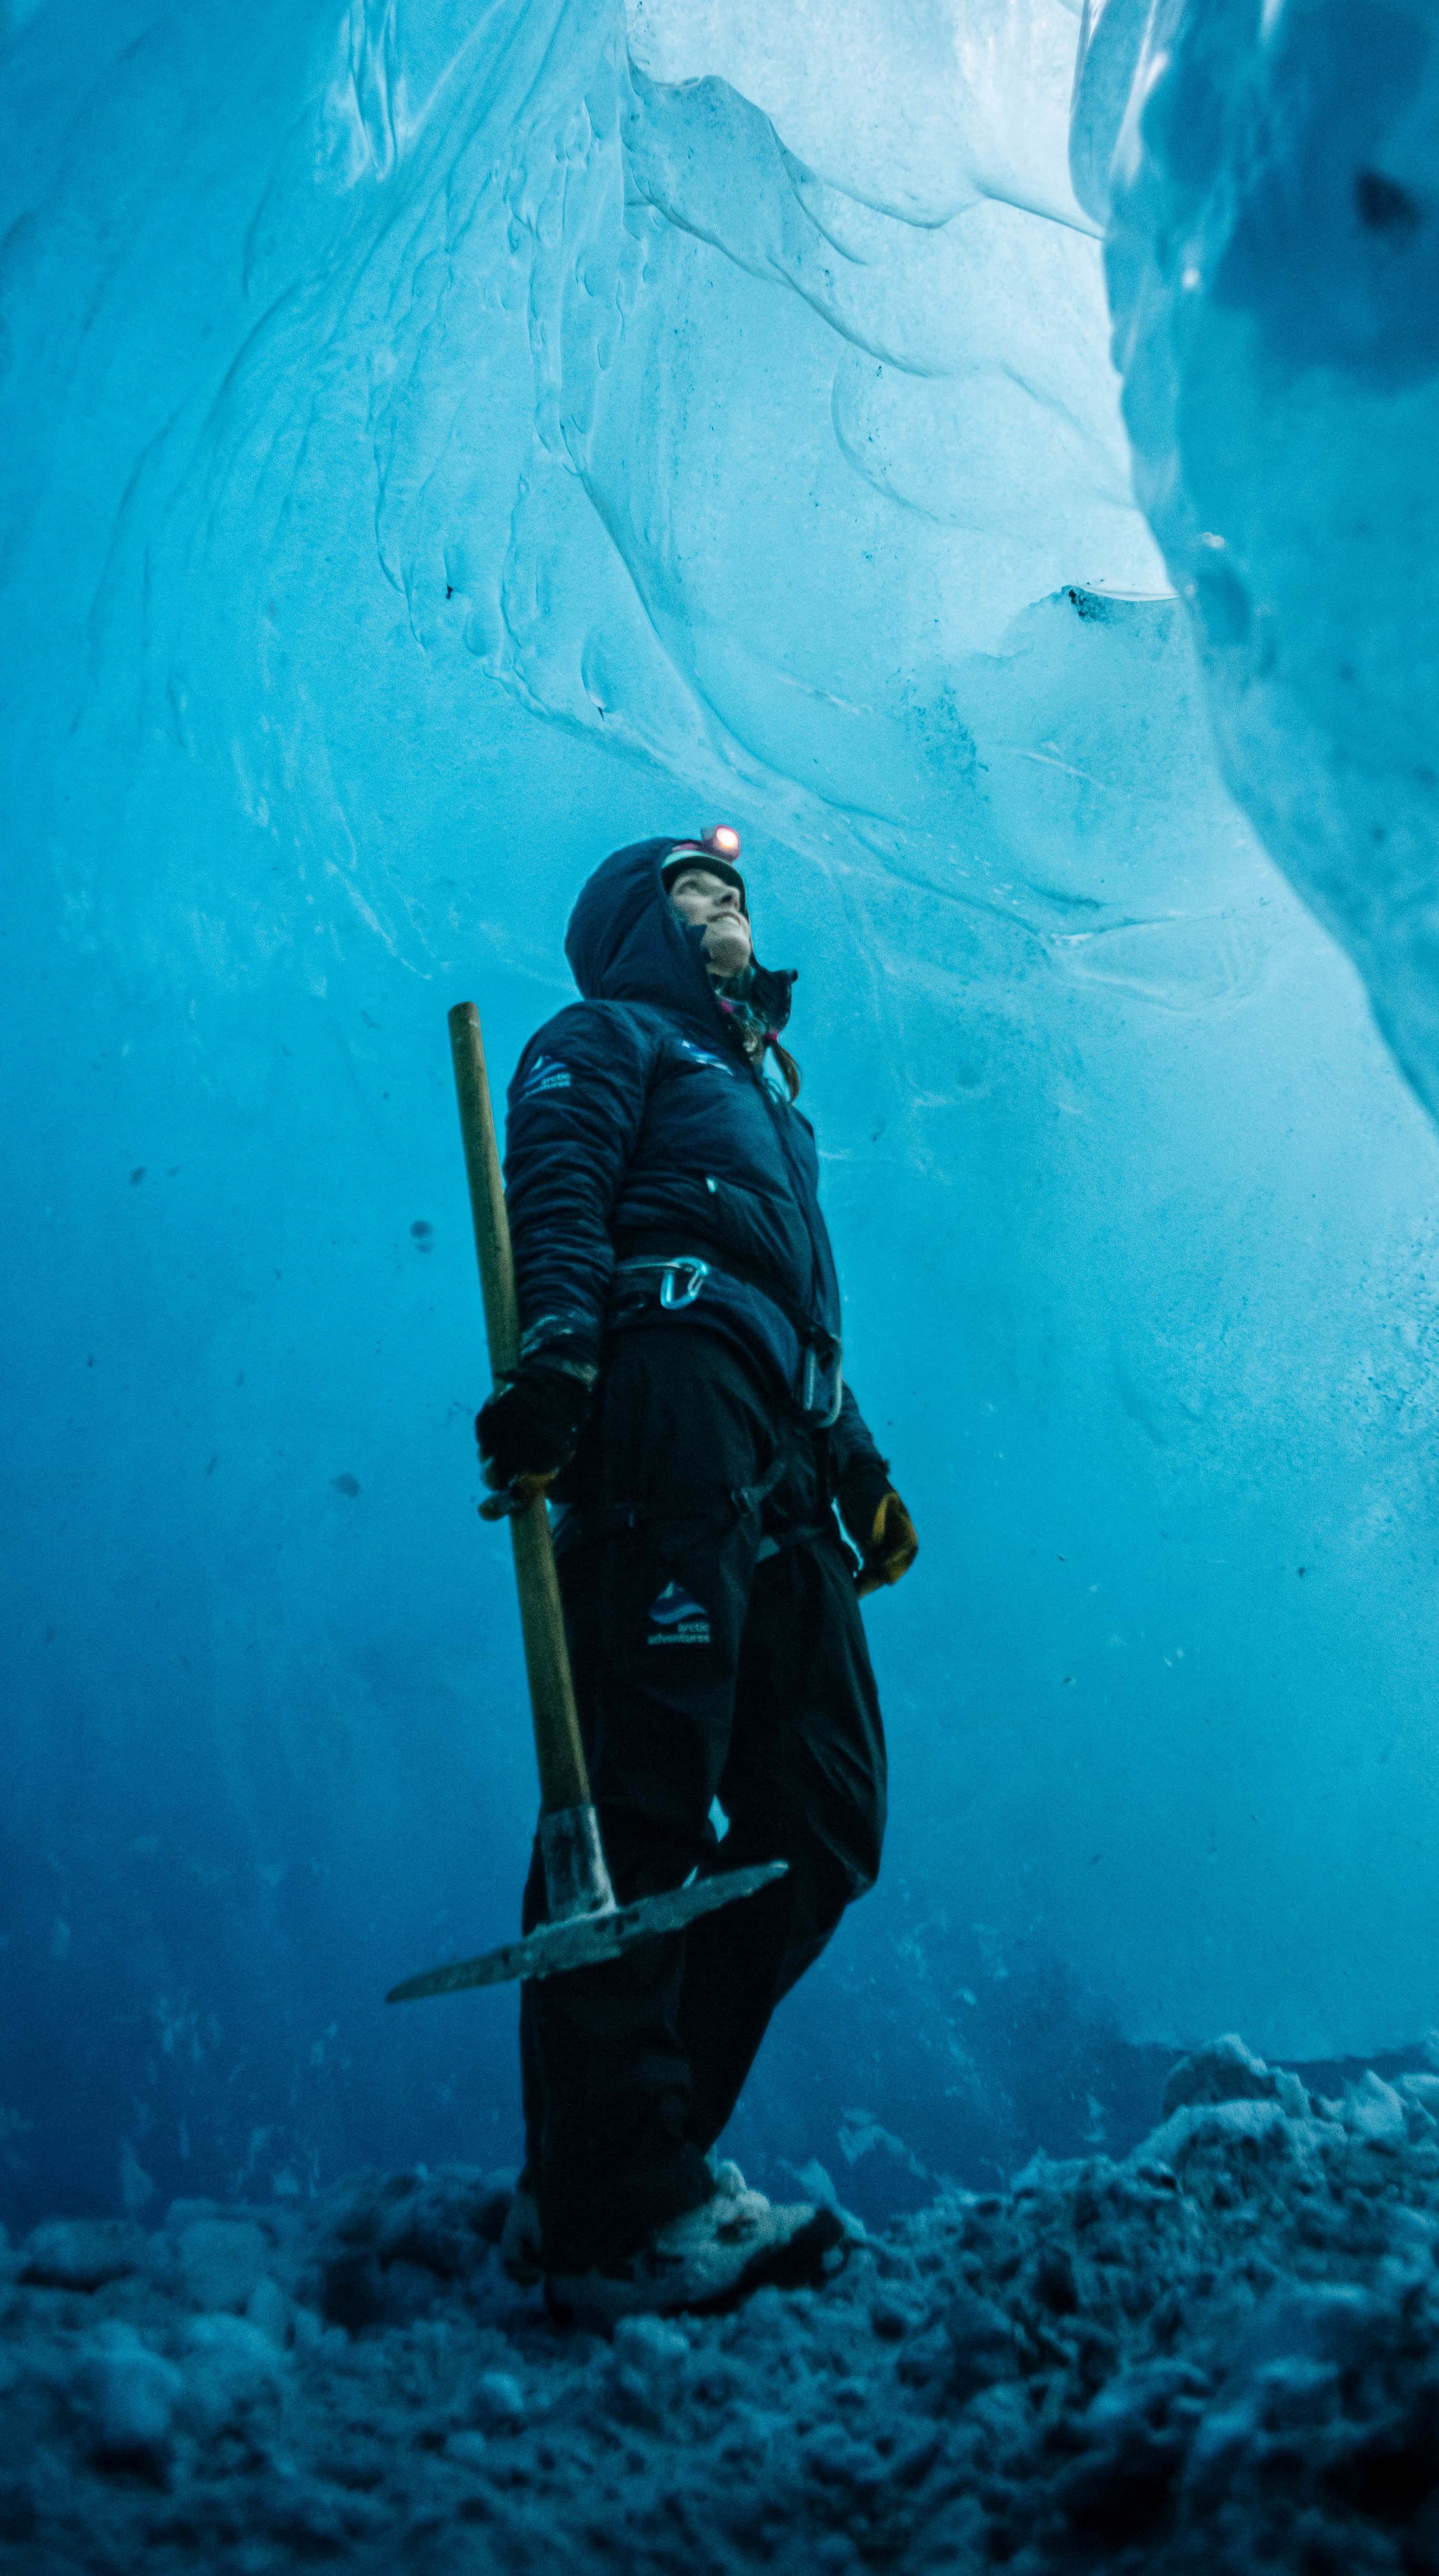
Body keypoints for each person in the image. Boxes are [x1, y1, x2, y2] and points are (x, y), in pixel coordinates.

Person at [473, 830, 918, 2317]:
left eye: (735, 893)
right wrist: (559, 1363)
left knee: (824, 1806)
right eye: (696, 892)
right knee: (644, 1782)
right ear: (636, 930)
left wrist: (858, 1464)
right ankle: (622, 2194)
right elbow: (561, 1188)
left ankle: (605, 2162)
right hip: (660, 1388)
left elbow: (793, 1304)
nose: (729, 907)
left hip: (779, 1434)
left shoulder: (770, 1103)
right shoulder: (607, 1036)